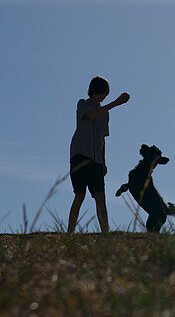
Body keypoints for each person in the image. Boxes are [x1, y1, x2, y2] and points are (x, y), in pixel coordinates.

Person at [67, 76, 130, 233]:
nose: (103, 97)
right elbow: (90, 115)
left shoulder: (105, 113)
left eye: (106, 94)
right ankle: (70, 232)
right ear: (94, 91)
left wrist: (103, 161)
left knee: (100, 198)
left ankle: (105, 234)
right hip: (80, 154)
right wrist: (116, 103)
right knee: (80, 195)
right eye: (102, 93)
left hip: (96, 160)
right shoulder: (82, 104)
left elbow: (102, 138)